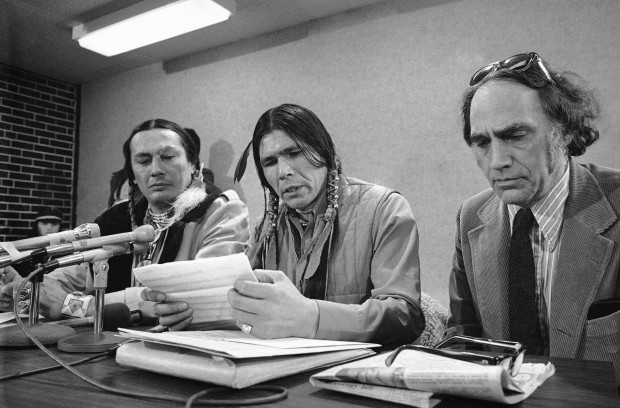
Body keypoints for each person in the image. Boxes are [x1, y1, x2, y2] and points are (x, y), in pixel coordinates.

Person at [447, 52, 620, 384]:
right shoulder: (470, 218)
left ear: (565, 130)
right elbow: (462, 339)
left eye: (515, 136)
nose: (497, 161)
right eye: (482, 142)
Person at [1, 119, 250, 331]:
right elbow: (63, 282)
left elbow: (197, 303)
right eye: (143, 160)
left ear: (194, 165)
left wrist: (73, 306)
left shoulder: (221, 210)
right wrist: (24, 288)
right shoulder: (116, 219)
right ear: (132, 174)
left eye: (167, 157)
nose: (156, 170)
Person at [229, 103, 424, 346]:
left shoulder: (384, 209)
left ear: (324, 152)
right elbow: (240, 306)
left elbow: (404, 316)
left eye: (294, 153)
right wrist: (191, 313)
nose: (283, 172)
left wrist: (311, 317)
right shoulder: (265, 229)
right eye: (269, 162)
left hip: (357, 372)